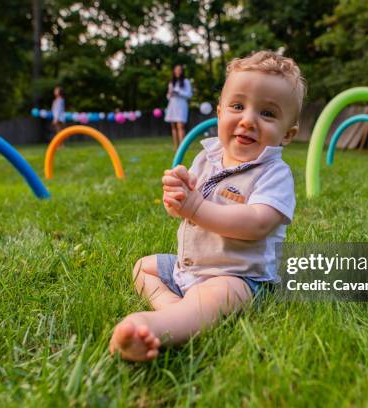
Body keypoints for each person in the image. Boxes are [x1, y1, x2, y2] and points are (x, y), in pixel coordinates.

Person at [109, 51, 306, 362]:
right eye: (238, 106)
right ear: (219, 114)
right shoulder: (208, 158)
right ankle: (176, 309)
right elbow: (188, 211)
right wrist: (178, 198)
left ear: (287, 134)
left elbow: (257, 223)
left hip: (241, 277)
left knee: (214, 294)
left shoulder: (274, 174)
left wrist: (196, 207)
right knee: (143, 267)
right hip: (191, 268)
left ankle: (154, 326)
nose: (247, 120)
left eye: (267, 114)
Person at [164, 64, 193, 150]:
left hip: (181, 105)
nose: (178, 71)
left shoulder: (186, 81)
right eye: (176, 70)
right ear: (174, 71)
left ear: (182, 71)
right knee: (173, 126)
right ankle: (176, 146)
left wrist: (178, 92)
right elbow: (168, 97)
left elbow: (189, 95)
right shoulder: (171, 83)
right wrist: (170, 94)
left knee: (180, 126)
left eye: (179, 70)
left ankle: (182, 146)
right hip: (172, 105)